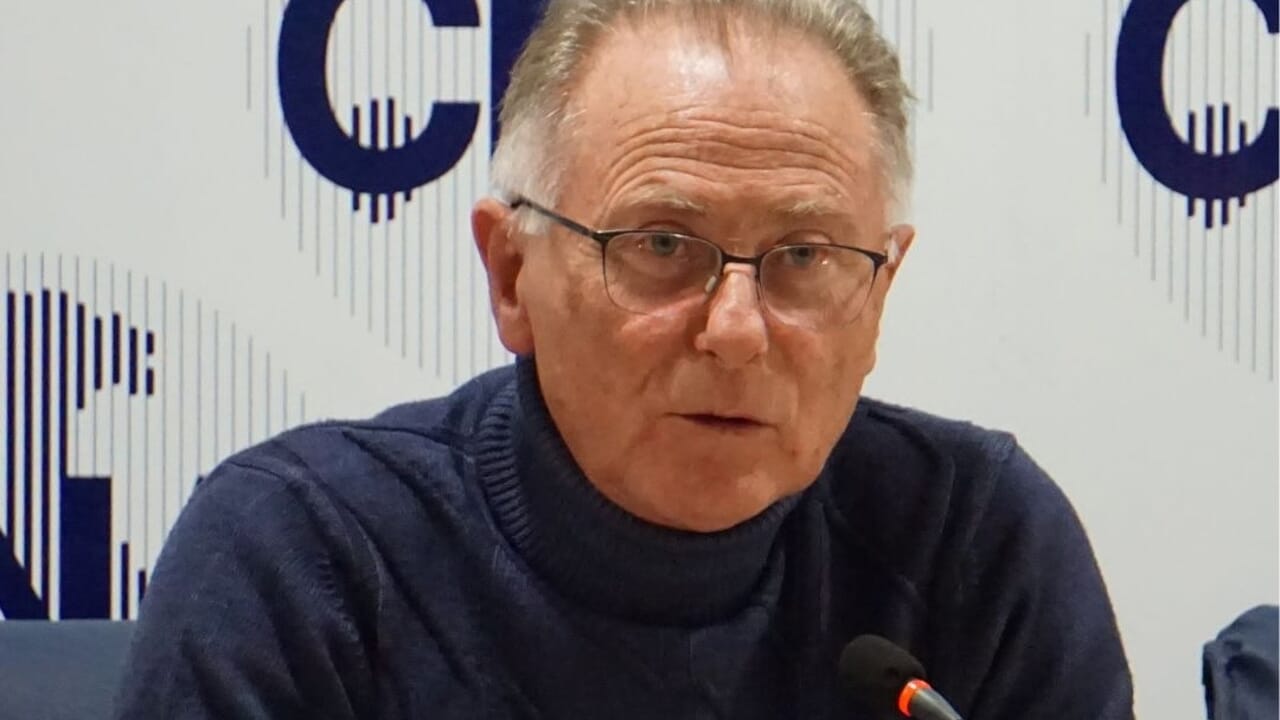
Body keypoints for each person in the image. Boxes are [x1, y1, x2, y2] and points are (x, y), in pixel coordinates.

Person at [113, 1, 1134, 717]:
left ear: (880, 292)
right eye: (661, 245)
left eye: (803, 258)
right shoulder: (304, 562)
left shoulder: (972, 547)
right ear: (511, 274)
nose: (736, 328)